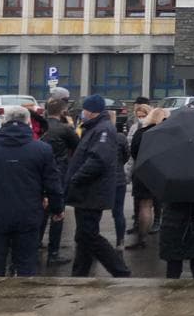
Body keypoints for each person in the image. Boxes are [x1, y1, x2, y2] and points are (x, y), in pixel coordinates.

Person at [0, 106, 65, 276]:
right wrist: (57, 209)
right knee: (26, 265)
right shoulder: (42, 149)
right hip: (28, 215)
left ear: (4, 121)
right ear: (29, 122)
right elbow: (53, 184)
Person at [65, 95, 131, 277]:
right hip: (87, 192)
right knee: (83, 235)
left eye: (84, 109)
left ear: (91, 111)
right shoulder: (95, 128)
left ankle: (120, 270)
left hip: (91, 191)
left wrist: (76, 178)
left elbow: (98, 160)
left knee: (89, 235)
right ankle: (80, 273)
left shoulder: (103, 130)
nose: (82, 113)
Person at [41, 97, 79, 267]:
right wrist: (70, 125)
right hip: (58, 174)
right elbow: (78, 146)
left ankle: (35, 244)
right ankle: (53, 253)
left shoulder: (40, 127)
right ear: (64, 112)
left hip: (39, 174)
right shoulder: (65, 129)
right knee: (57, 213)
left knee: (41, 211)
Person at [126, 107, 167, 250]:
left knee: (144, 206)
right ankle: (157, 224)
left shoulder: (141, 133)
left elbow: (133, 152)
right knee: (157, 203)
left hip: (143, 170)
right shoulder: (166, 134)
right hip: (160, 172)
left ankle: (141, 238)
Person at [110, 112, 130, 248]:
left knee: (95, 212)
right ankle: (120, 241)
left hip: (102, 180)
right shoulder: (121, 137)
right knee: (118, 212)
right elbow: (126, 155)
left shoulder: (95, 134)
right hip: (118, 179)